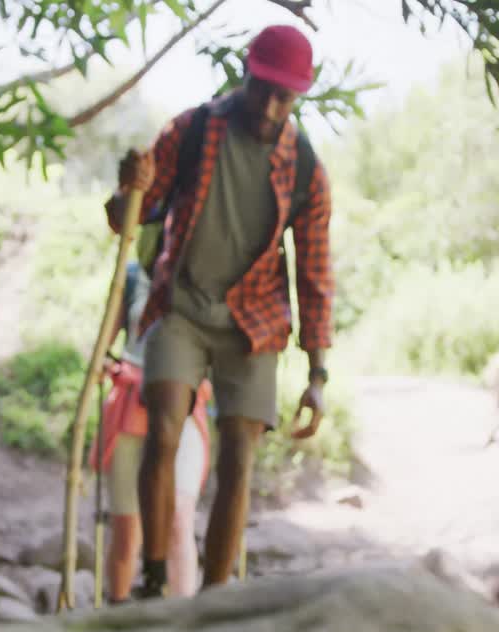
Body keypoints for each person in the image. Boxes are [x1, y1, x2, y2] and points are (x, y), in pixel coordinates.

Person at [104, 23, 334, 599]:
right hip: (180, 304)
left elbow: (314, 272)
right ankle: (154, 582)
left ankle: (214, 597)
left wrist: (317, 373)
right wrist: (127, 190)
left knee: (239, 453)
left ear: (299, 95)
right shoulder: (195, 129)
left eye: (287, 95)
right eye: (265, 89)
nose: (272, 105)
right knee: (163, 428)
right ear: (247, 74)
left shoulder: (305, 169)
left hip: (254, 321)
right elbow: (130, 215)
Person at [89, 258, 214, 603]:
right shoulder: (132, 277)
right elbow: (104, 343)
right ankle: (118, 613)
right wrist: (101, 363)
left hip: (185, 406)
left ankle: (183, 616)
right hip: (132, 403)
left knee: (178, 518)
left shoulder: (205, 270)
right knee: (127, 529)